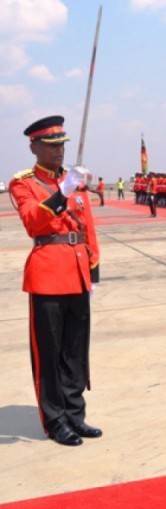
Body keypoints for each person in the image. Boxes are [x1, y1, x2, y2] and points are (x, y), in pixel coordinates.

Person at [9, 115, 102, 447]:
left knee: (76, 351)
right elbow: (34, 223)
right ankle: (55, 420)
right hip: (47, 274)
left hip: (77, 272)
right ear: (34, 147)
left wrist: (93, 271)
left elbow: (87, 225)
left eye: (61, 145)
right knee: (48, 353)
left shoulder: (73, 180)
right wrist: (59, 194)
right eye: (51, 146)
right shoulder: (23, 183)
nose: (59, 151)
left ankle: (75, 415)